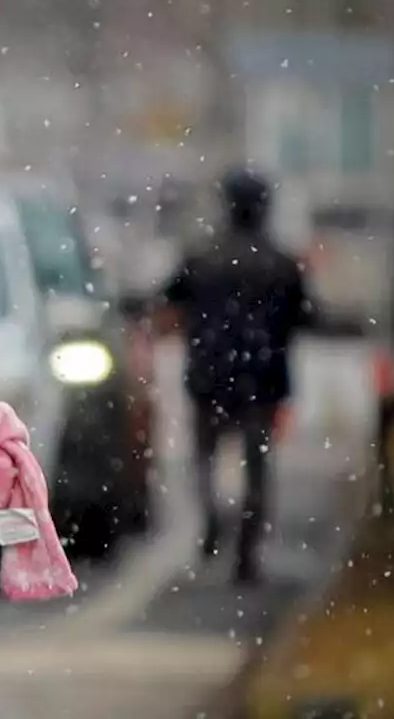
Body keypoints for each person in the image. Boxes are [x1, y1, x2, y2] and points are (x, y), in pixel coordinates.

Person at [161, 167, 315, 585]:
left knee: (204, 459)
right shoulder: (282, 264)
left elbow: (168, 302)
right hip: (262, 379)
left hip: (209, 376)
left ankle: (212, 520)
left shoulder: (201, 258)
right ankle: (246, 551)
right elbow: (307, 316)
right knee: (257, 466)